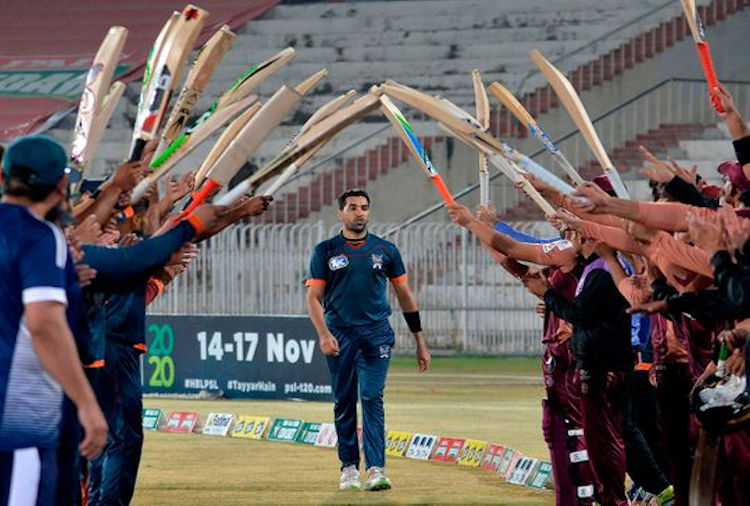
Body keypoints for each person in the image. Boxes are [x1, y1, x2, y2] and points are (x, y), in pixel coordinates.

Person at [0, 135, 107, 505]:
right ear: (62, 185)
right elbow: (44, 326)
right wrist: (88, 404)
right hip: (17, 421)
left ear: (3, 176)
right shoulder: (40, 237)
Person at [305, 188, 431, 492]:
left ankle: (376, 468)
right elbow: (313, 298)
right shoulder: (325, 251)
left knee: (372, 397)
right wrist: (324, 334)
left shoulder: (386, 251)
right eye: (352, 208)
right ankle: (349, 468)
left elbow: (405, 296)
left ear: (369, 212)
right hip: (340, 336)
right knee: (344, 402)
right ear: (341, 213)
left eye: (363, 207)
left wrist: (419, 340)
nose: (359, 212)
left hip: (376, 335)